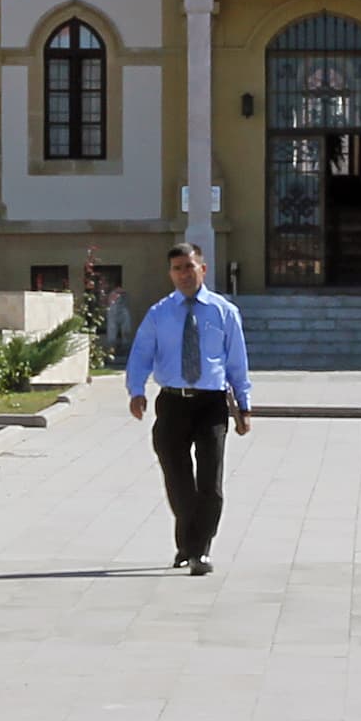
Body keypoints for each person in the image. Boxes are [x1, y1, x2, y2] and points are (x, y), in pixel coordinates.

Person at [123, 241, 251, 573]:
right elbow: (140, 355)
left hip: (211, 404)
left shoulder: (224, 312)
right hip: (172, 403)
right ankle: (188, 544)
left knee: (210, 483)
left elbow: (237, 361)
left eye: (189, 267)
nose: (184, 274)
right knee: (179, 482)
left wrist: (244, 406)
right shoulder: (159, 313)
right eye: (177, 268)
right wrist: (136, 390)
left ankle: (199, 552)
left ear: (202, 269)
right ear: (171, 274)